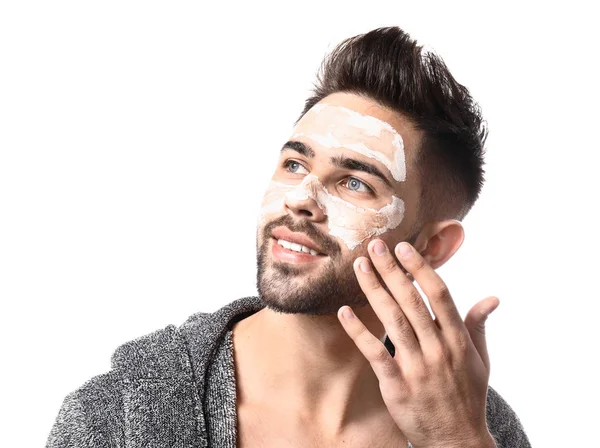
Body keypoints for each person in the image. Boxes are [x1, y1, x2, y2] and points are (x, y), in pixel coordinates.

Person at [46, 26, 531, 447]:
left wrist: (456, 441)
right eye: (295, 163)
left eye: (355, 182)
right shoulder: (116, 418)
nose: (300, 197)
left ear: (431, 247)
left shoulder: (478, 426)